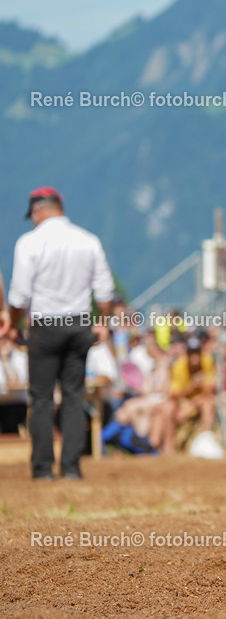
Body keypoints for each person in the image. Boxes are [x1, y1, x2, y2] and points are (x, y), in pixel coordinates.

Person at [7, 187, 115, 480]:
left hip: (44, 327)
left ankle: (42, 469)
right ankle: (71, 467)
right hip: (80, 325)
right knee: (73, 395)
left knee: (41, 399)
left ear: (37, 211)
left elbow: (19, 295)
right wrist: (102, 322)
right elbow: (105, 291)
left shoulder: (29, 243)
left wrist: (14, 324)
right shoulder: (88, 240)